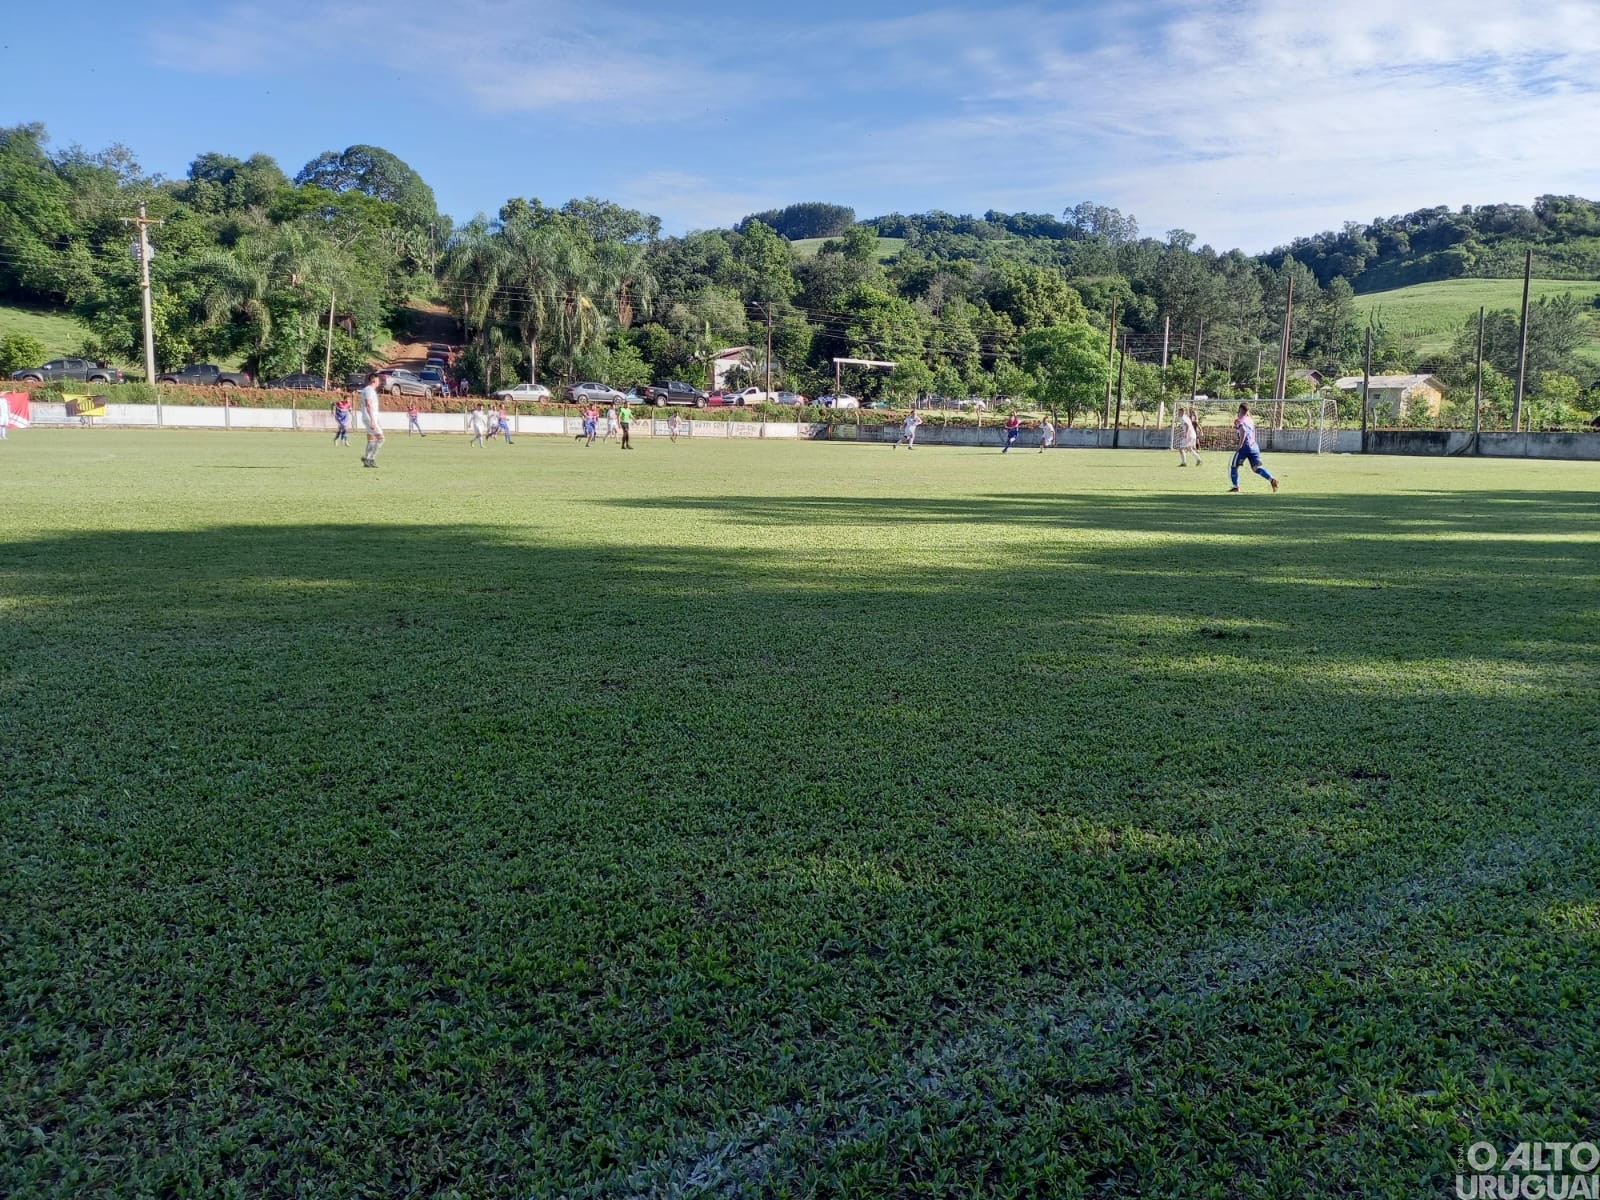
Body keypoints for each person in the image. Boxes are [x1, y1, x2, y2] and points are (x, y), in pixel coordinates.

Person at [1228, 402, 1279, 493]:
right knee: (1256, 468)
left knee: (1234, 466)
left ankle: (1236, 487)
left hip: (1244, 447)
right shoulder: (1250, 420)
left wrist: (1240, 445)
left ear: (1240, 410)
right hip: (1254, 447)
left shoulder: (1239, 420)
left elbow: (1243, 431)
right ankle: (1272, 479)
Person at [359, 374, 384, 468]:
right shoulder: (369, 390)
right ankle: (370, 458)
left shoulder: (367, 390)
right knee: (381, 439)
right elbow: (368, 404)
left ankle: (367, 459)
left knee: (371, 439)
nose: (379, 382)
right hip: (370, 418)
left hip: (368, 417)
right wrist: (373, 420)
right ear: (374, 380)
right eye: (378, 380)